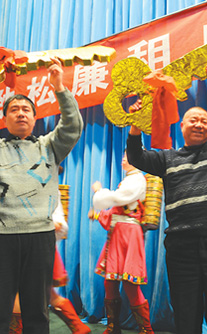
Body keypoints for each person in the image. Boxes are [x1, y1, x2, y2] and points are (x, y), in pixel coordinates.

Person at [126, 63, 207, 334]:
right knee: (186, 317)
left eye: (204, 121)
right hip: (181, 249)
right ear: (182, 126)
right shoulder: (167, 158)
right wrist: (135, 123)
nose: (199, 124)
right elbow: (136, 156)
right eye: (193, 119)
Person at [0, 58, 83, 334]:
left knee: (37, 310)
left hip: (40, 236)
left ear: (35, 118)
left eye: (26, 109)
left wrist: (59, 87)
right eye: (14, 109)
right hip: (3, 238)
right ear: (6, 118)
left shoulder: (49, 147)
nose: (21, 113)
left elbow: (72, 126)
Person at [9, 188, 92, 334]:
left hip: (29, 244)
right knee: (49, 295)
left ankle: (79, 327)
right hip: (31, 242)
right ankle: (79, 327)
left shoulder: (45, 187)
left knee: (17, 292)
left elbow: (57, 220)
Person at [88, 152, 153, 334]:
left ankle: (146, 330)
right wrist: (99, 213)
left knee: (130, 284)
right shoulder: (128, 180)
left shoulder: (137, 180)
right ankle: (112, 326)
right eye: (123, 155)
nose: (123, 158)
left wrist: (99, 191)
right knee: (110, 281)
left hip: (128, 236)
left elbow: (118, 199)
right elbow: (116, 210)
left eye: (127, 155)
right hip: (117, 235)